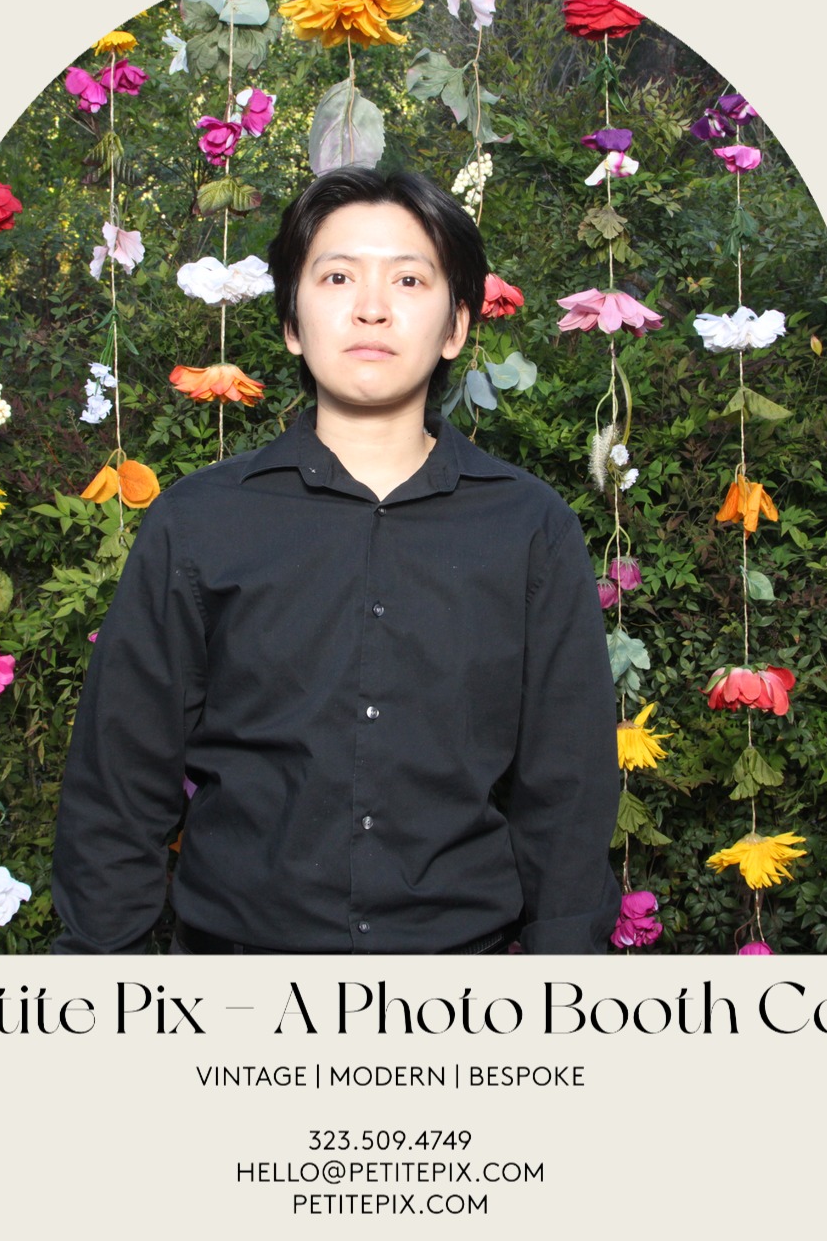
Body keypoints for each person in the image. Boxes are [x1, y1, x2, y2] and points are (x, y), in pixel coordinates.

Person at [51, 166, 622, 955]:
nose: (372, 307)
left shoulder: (530, 528)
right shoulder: (199, 521)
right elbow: (119, 782)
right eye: (338, 276)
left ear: (456, 326)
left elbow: (569, 787)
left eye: (410, 279)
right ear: (292, 320)